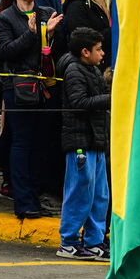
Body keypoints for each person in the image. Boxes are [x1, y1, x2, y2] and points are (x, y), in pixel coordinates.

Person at [0, 0, 63, 218]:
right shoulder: (6, 17)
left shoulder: (46, 13)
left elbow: (57, 49)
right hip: (20, 87)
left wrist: (52, 35)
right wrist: (32, 34)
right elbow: (7, 51)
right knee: (22, 142)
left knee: (41, 143)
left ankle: (36, 195)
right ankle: (23, 200)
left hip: (45, 85)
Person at [56, 27, 111, 261]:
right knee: (79, 193)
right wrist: (114, 98)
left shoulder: (93, 70)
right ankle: (68, 242)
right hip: (80, 142)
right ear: (85, 51)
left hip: (96, 142)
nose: (103, 54)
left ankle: (95, 241)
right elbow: (79, 101)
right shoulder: (74, 71)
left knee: (100, 195)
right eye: (99, 49)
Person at [62, 0, 113, 71]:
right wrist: (115, 30)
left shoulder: (115, 2)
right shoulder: (76, 5)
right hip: (94, 70)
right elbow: (82, 41)